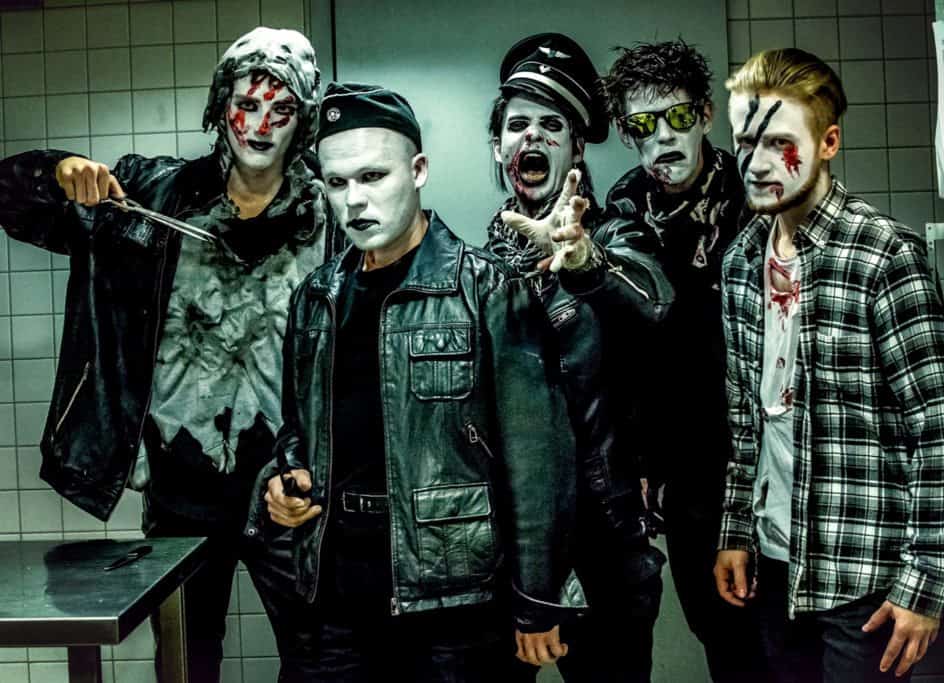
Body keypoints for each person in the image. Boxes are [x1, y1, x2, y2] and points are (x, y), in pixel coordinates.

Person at [0, 27, 329, 682]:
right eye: (246, 104)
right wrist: (57, 170)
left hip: (290, 484)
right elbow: (10, 199)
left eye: (282, 109)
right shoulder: (150, 196)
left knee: (320, 657)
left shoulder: (332, 215)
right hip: (184, 484)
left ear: (305, 122)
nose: (259, 125)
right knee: (187, 659)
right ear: (220, 106)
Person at [253, 82, 581, 682]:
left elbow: (538, 461)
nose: (355, 200)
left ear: (419, 170)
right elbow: (297, 429)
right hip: (333, 596)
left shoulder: (487, 288)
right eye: (337, 183)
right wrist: (284, 479)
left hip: (456, 604)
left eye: (373, 177)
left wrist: (538, 599)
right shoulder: (316, 297)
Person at [713, 48, 944, 682]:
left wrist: (924, 584)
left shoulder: (883, 256)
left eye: (779, 142)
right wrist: (736, 530)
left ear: (829, 142)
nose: (757, 162)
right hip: (775, 570)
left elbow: (940, 433)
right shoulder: (741, 262)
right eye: (745, 141)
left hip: (865, 578)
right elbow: (748, 419)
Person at [485, 32, 671, 682]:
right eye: (517, 125)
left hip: (604, 538)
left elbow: (655, 300)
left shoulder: (616, 235)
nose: (532, 137)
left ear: (576, 147)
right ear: (499, 147)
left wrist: (585, 260)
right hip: (510, 547)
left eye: (551, 125)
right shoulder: (479, 265)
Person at [599, 39, 765, 682]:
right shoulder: (622, 212)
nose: (663, 137)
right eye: (643, 125)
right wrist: (640, 459)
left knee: (778, 636)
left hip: (765, 450)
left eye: (676, 117)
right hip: (685, 468)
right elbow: (624, 348)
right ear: (625, 133)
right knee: (720, 631)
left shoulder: (754, 194)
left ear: (704, 115)